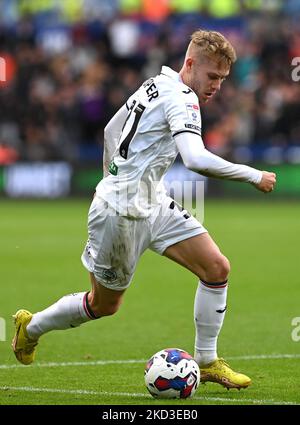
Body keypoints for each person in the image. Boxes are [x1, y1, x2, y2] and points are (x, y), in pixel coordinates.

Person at [12, 29, 276, 390]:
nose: (217, 86)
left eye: (223, 79)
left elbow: (110, 130)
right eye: (212, 76)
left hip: (153, 202)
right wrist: (253, 175)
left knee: (216, 268)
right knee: (104, 305)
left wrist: (117, 177)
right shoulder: (183, 98)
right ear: (190, 64)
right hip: (119, 215)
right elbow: (195, 159)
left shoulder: (155, 83)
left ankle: (208, 360)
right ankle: (32, 326)